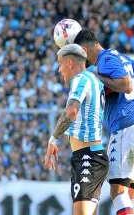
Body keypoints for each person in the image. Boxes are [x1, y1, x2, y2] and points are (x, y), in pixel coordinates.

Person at [74, 29, 134, 215]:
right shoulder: (120, 57)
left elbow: (125, 85)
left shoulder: (104, 60)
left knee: (117, 191)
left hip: (126, 129)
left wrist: (97, 76)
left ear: (84, 49)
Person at [44, 44, 109, 215]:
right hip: (89, 156)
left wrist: (53, 139)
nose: (59, 70)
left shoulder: (81, 79)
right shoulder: (94, 80)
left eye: (60, 63)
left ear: (70, 63)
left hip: (89, 157)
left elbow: (71, 111)